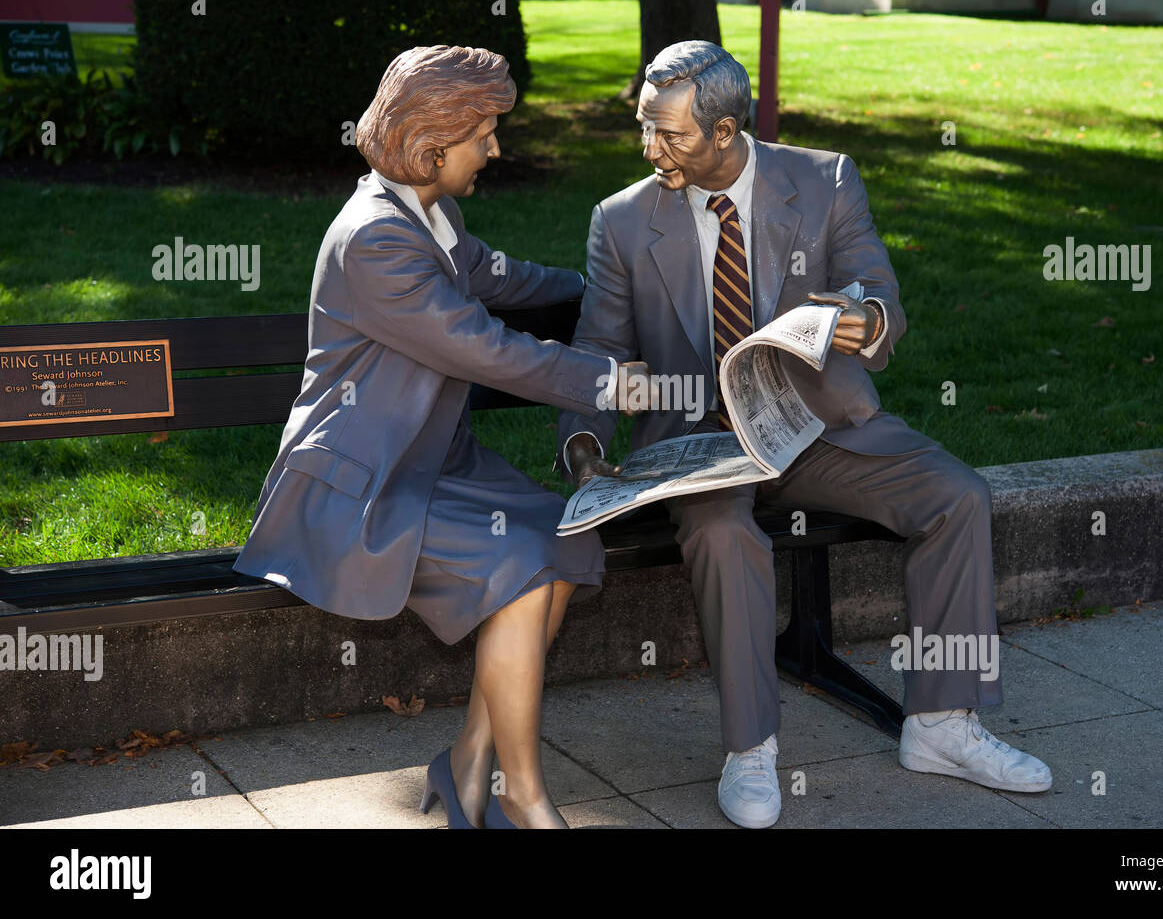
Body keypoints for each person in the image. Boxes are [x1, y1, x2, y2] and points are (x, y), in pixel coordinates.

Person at [557, 40, 1052, 829]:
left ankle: (941, 724)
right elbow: (597, 352)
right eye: (644, 127)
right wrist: (584, 447)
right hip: (702, 446)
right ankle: (750, 748)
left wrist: (871, 320)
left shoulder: (824, 181)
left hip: (816, 428)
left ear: (725, 132)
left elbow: (881, 293)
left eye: (670, 134)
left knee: (958, 496)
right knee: (724, 534)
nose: (650, 148)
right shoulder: (622, 219)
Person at [233, 45, 648, 829]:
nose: (495, 149)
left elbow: (501, 278)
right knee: (523, 568)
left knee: (561, 539)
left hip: (435, 463)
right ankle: (520, 798)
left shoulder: (428, 213)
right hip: (365, 485)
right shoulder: (375, 242)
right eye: (484, 134)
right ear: (432, 146)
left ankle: (465, 767)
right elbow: (480, 345)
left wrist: (603, 294)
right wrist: (607, 380)